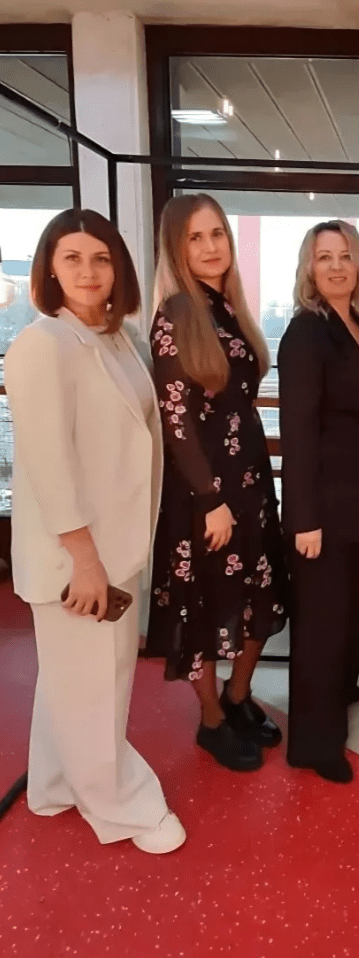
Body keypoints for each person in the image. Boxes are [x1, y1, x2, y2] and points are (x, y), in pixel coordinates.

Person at [5, 208, 185, 854]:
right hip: (78, 555)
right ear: (49, 269)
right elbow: (49, 465)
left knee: (70, 678)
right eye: (72, 258)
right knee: (95, 686)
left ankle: (55, 784)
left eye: (101, 258)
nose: (88, 271)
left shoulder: (115, 337)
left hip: (116, 541)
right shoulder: (43, 345)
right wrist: (84, 560)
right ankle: (120, 806)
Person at [146, 194, 288, 772]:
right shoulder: (177, 313)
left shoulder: (227, 309)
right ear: (177, 249)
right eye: (195, 238)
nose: (210, 247)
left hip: (250, 486)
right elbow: (176, 421)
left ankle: (236, 696)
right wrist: (211, 500)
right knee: (203, 610)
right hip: (205, 497)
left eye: (217, 234)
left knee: (261, 593)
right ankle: (210, 720)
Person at [278, 220, 359, 784]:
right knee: (321, 626)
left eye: (345, 255)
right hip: (323, 510)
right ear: (309, 267)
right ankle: (314, 743)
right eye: (323, 256)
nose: (335, 266)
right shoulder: (306, 333)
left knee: (349, 613)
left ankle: (340, 690)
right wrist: (303, 518)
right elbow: (298, 431)